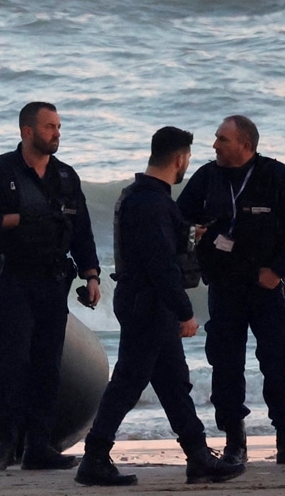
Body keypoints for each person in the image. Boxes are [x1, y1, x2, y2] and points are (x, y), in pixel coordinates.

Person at [74, 127, 245, 486]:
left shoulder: (142, 197)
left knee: (172, 382)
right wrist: (185, 311)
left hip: (144, 303)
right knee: (128, 382)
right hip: (148, 306)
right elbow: (161, 264)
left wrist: (186, 232)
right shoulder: (152, 203)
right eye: (188, 159)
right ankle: (94, 457)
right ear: (180, 158)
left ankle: (198, 455)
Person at [0, 101, 101, 470]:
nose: (57, 133)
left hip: (54, 281)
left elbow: (82, 231)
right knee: (12, 362)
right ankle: (5, 443)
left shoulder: (67, 178)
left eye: (58, 126)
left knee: (48, 365)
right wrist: (15, 220)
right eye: (49, 127)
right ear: (27, 131)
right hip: (13, 280)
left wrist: (91, 275)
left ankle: (39, 445)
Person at [176, 115, 285, 465]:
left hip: (267, 286)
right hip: (224, 285)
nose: (215, 145)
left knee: (278, 360)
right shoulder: (208, 177)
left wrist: (278, 270)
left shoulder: (276, 175)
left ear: (245, 145)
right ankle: (235, 440)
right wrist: (195, 234)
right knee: (225, 363)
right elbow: (177, 219)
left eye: (222, 139)